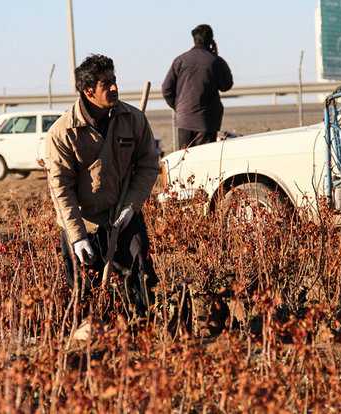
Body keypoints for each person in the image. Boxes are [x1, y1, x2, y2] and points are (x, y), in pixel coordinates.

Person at [45, 54, 160, 318]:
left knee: (140, 274)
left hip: (122, 214)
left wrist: (132, 207)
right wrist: (76, 237)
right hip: (82, 220)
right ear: (88, 90)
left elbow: (148, 166)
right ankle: (90, 336)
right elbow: (61, 189)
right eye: (105, 84)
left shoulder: (133, 120)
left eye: (114, 81)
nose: (114, 88)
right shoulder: (63, 132)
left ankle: (141, 328)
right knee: (81, 287)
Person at [162, 24, 234, 148]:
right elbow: (226, 85)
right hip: (207, 122)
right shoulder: (215, 61)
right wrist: (215, 55)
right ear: (212, 41)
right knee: (204, 162)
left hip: (184, 120)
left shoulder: (180, 60)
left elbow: (166, 89)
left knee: (184, 161)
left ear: (194, 41)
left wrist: (179, 108)